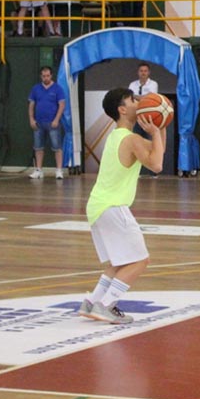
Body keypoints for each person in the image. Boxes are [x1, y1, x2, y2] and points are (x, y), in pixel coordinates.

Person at [78, 87, 167, 324]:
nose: (138, 102)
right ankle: (105, 305)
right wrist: (156, 132)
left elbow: (157, 152)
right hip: (112, 207)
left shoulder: (118, 137)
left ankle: (91, 302)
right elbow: (157, 165)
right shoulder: (131, 139)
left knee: (119, 262)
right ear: (122, 109)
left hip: (98, 206)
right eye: (132, 99)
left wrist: (161, 128)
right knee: (140, 260)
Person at [28, 66, 66, 181]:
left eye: (48, 76)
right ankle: (39, 170)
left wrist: (56, 120)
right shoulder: (36, 89)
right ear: (41, 76)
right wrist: (31, 119)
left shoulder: (58, 89)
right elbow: (31, 105)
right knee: (38, 147)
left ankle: (59, 171)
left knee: (57, 147)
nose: (46, 78)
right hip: (38, 123)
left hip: (53, 123)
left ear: (51, 75)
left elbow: (62, 105)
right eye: (44, 76)